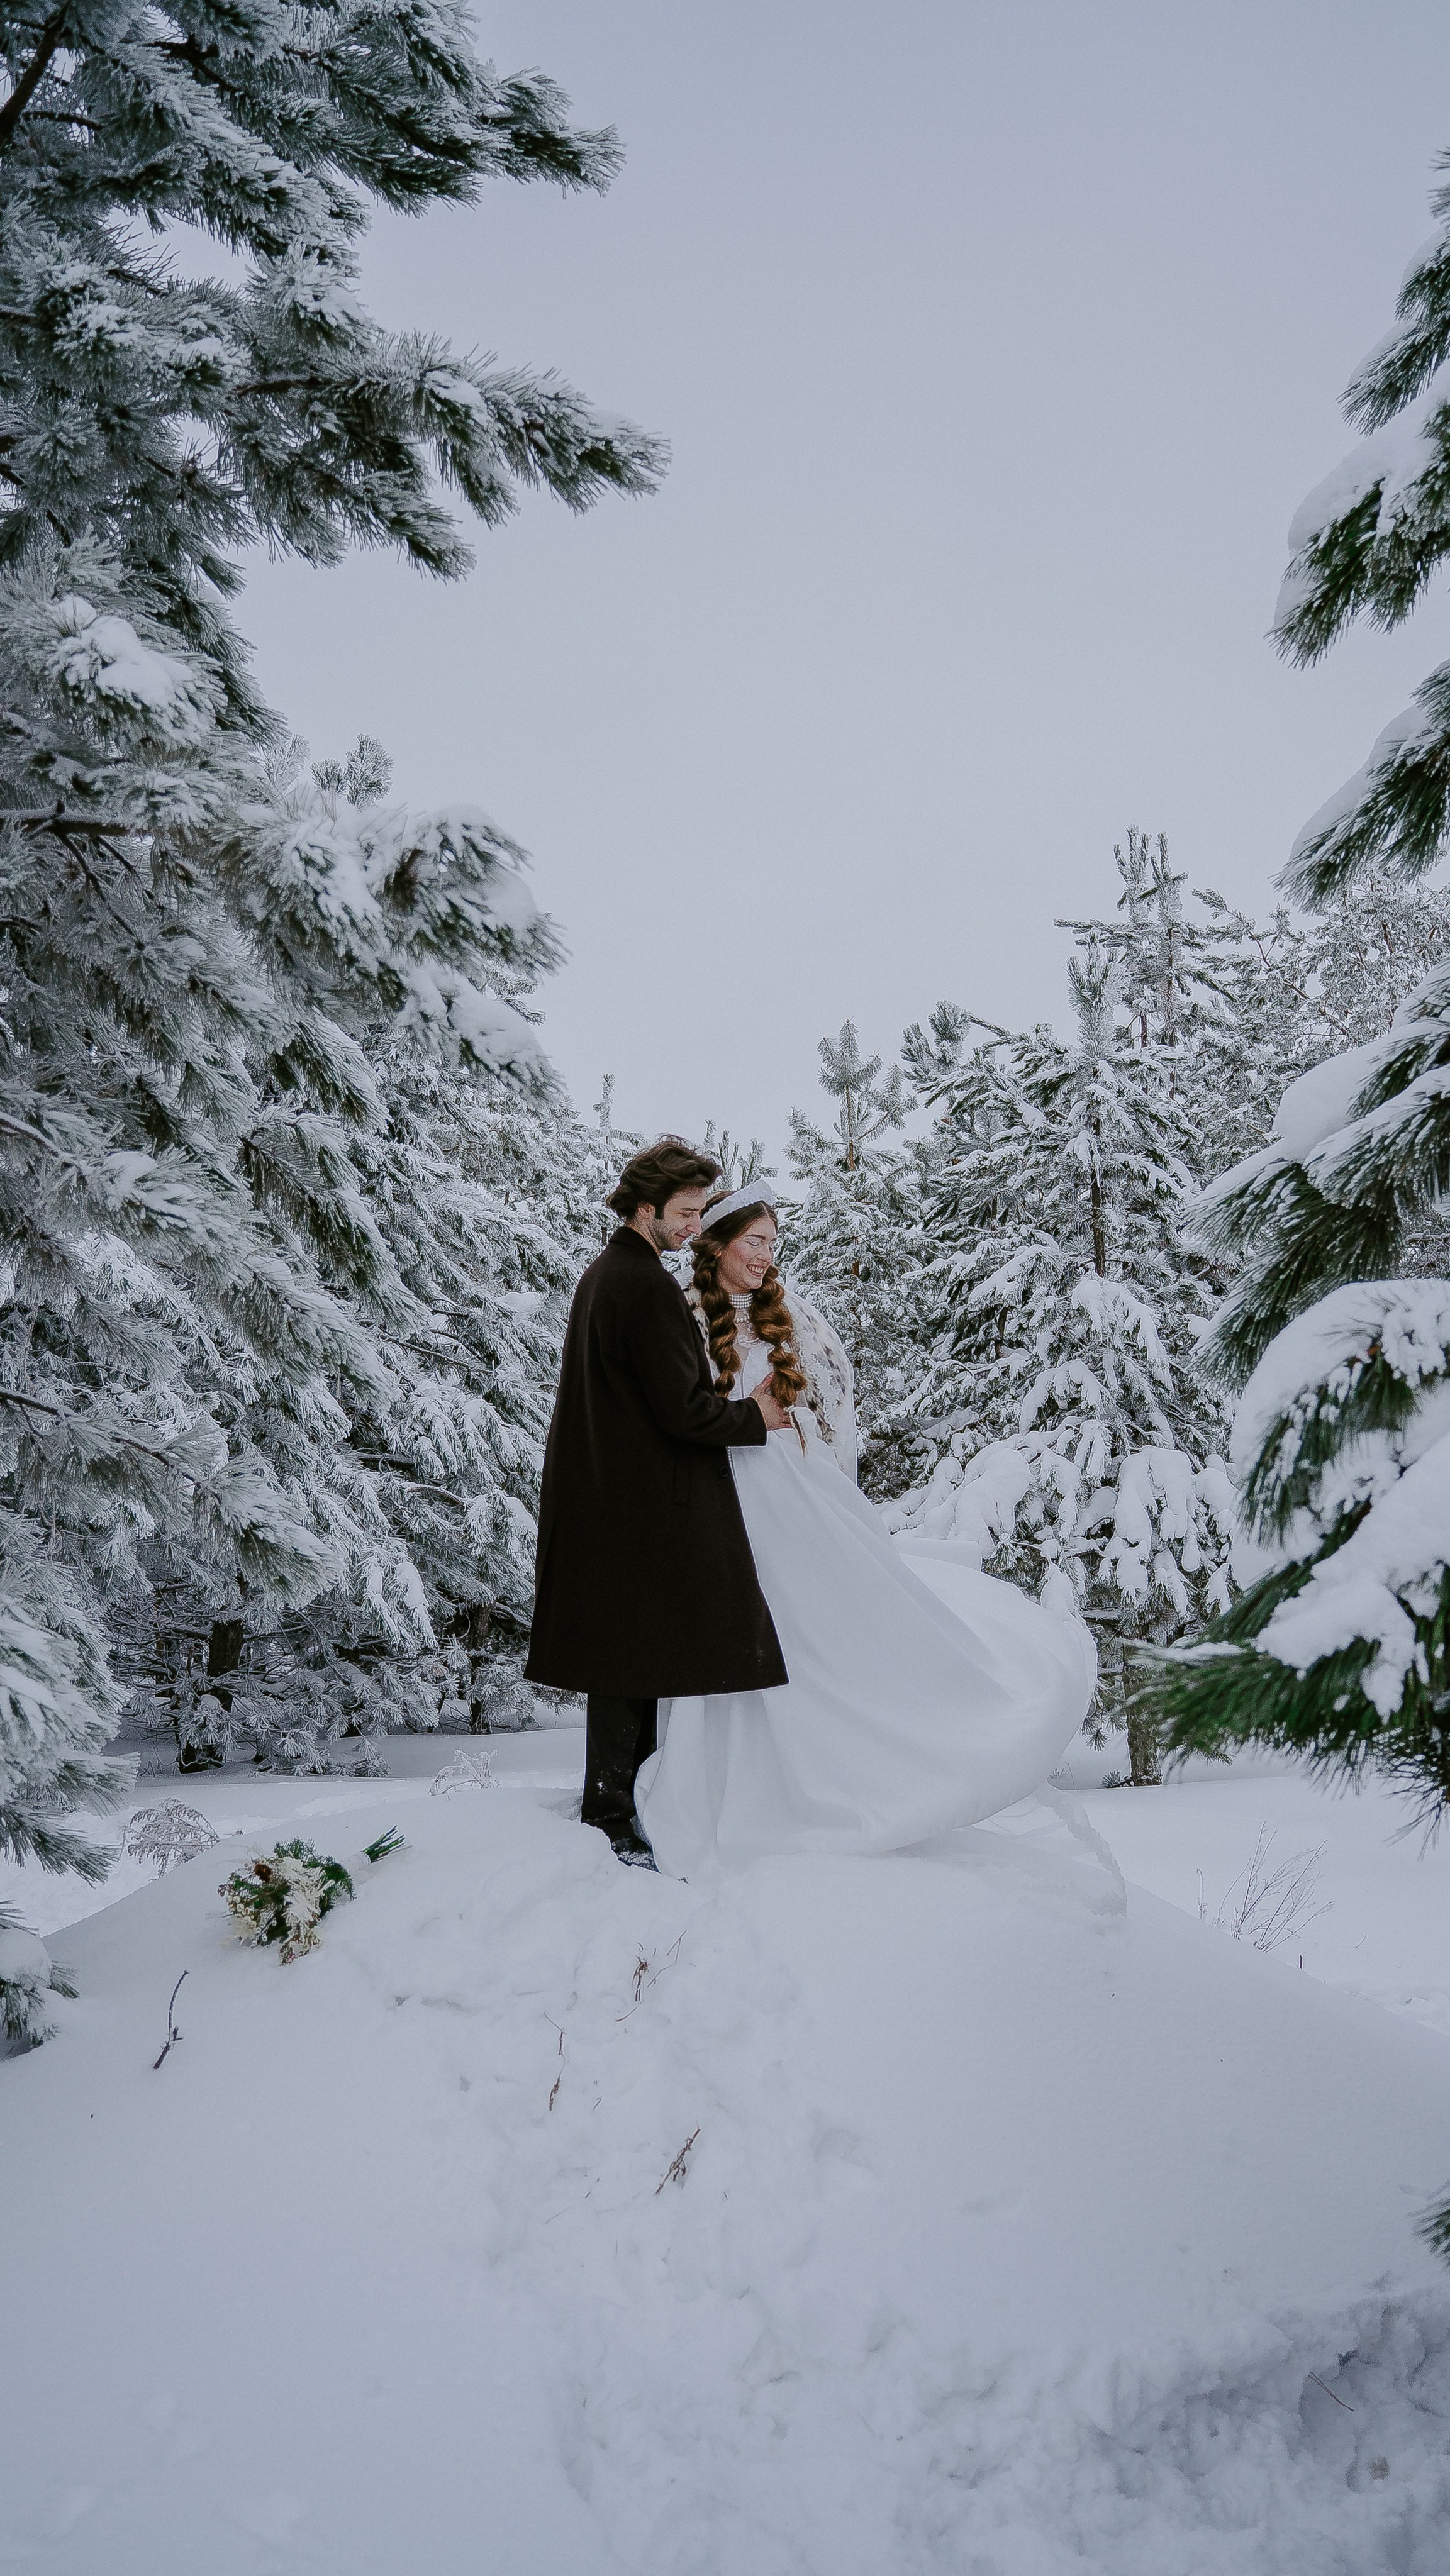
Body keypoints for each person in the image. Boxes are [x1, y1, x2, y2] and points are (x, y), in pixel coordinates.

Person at [633, 1184, 1097, 1877]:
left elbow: (831, 1400)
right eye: (753, 1241)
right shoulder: (677, 1314)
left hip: (792, 1490)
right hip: (718, 1497)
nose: (765, 1256)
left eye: (772, 1243)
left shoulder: (789, 1317)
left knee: (822, 1630)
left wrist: (817, 1463)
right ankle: (737, 1787)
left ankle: (858, 1769)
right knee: (739, 1632)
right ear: (717, 1242)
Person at [524, 1139, 793, 1863]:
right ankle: (611, 1820)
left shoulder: (610, 1273)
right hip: (635, 1504)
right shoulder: (640, 1284)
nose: (692, 1224)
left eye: (700, 1211)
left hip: (613, 1495)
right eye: (684, 1212)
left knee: (631, 1661)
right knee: (626, 1665)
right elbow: (680, 1410)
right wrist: (752, 1417)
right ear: (645, 1207)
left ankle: (622, 1810)